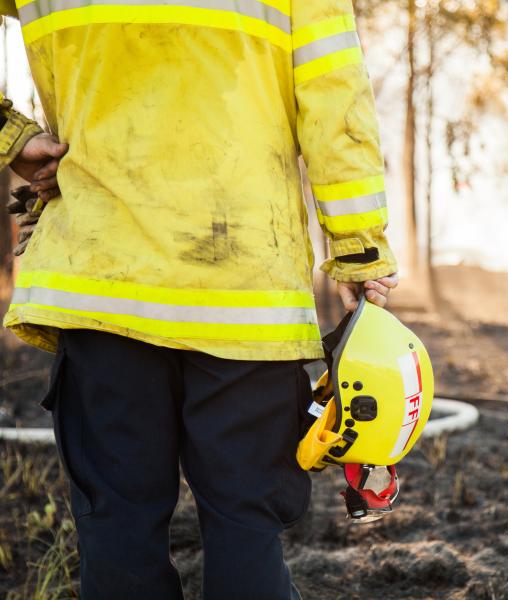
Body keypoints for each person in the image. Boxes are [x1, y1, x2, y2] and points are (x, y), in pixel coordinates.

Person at [0, 0, 399, 597]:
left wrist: (14, 138)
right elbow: (336, 102)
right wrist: (359, 250)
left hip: (102, 293)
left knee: (118, 532)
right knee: (246, 529)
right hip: (245, 301)